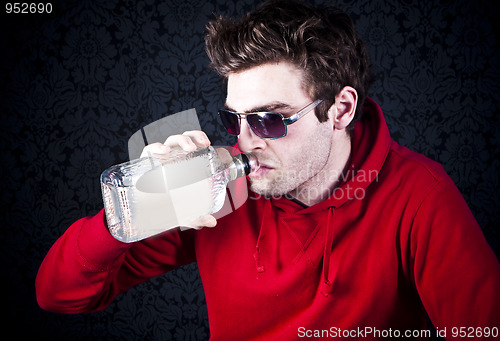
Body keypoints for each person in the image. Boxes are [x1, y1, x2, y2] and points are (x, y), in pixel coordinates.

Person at [36, 0, 500, 339]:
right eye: (232, 119)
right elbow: (59, 295)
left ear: (339, 110)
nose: (244, 140)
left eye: (269, 119)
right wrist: (131, 211)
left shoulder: (419, 195)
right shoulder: (217, 191)